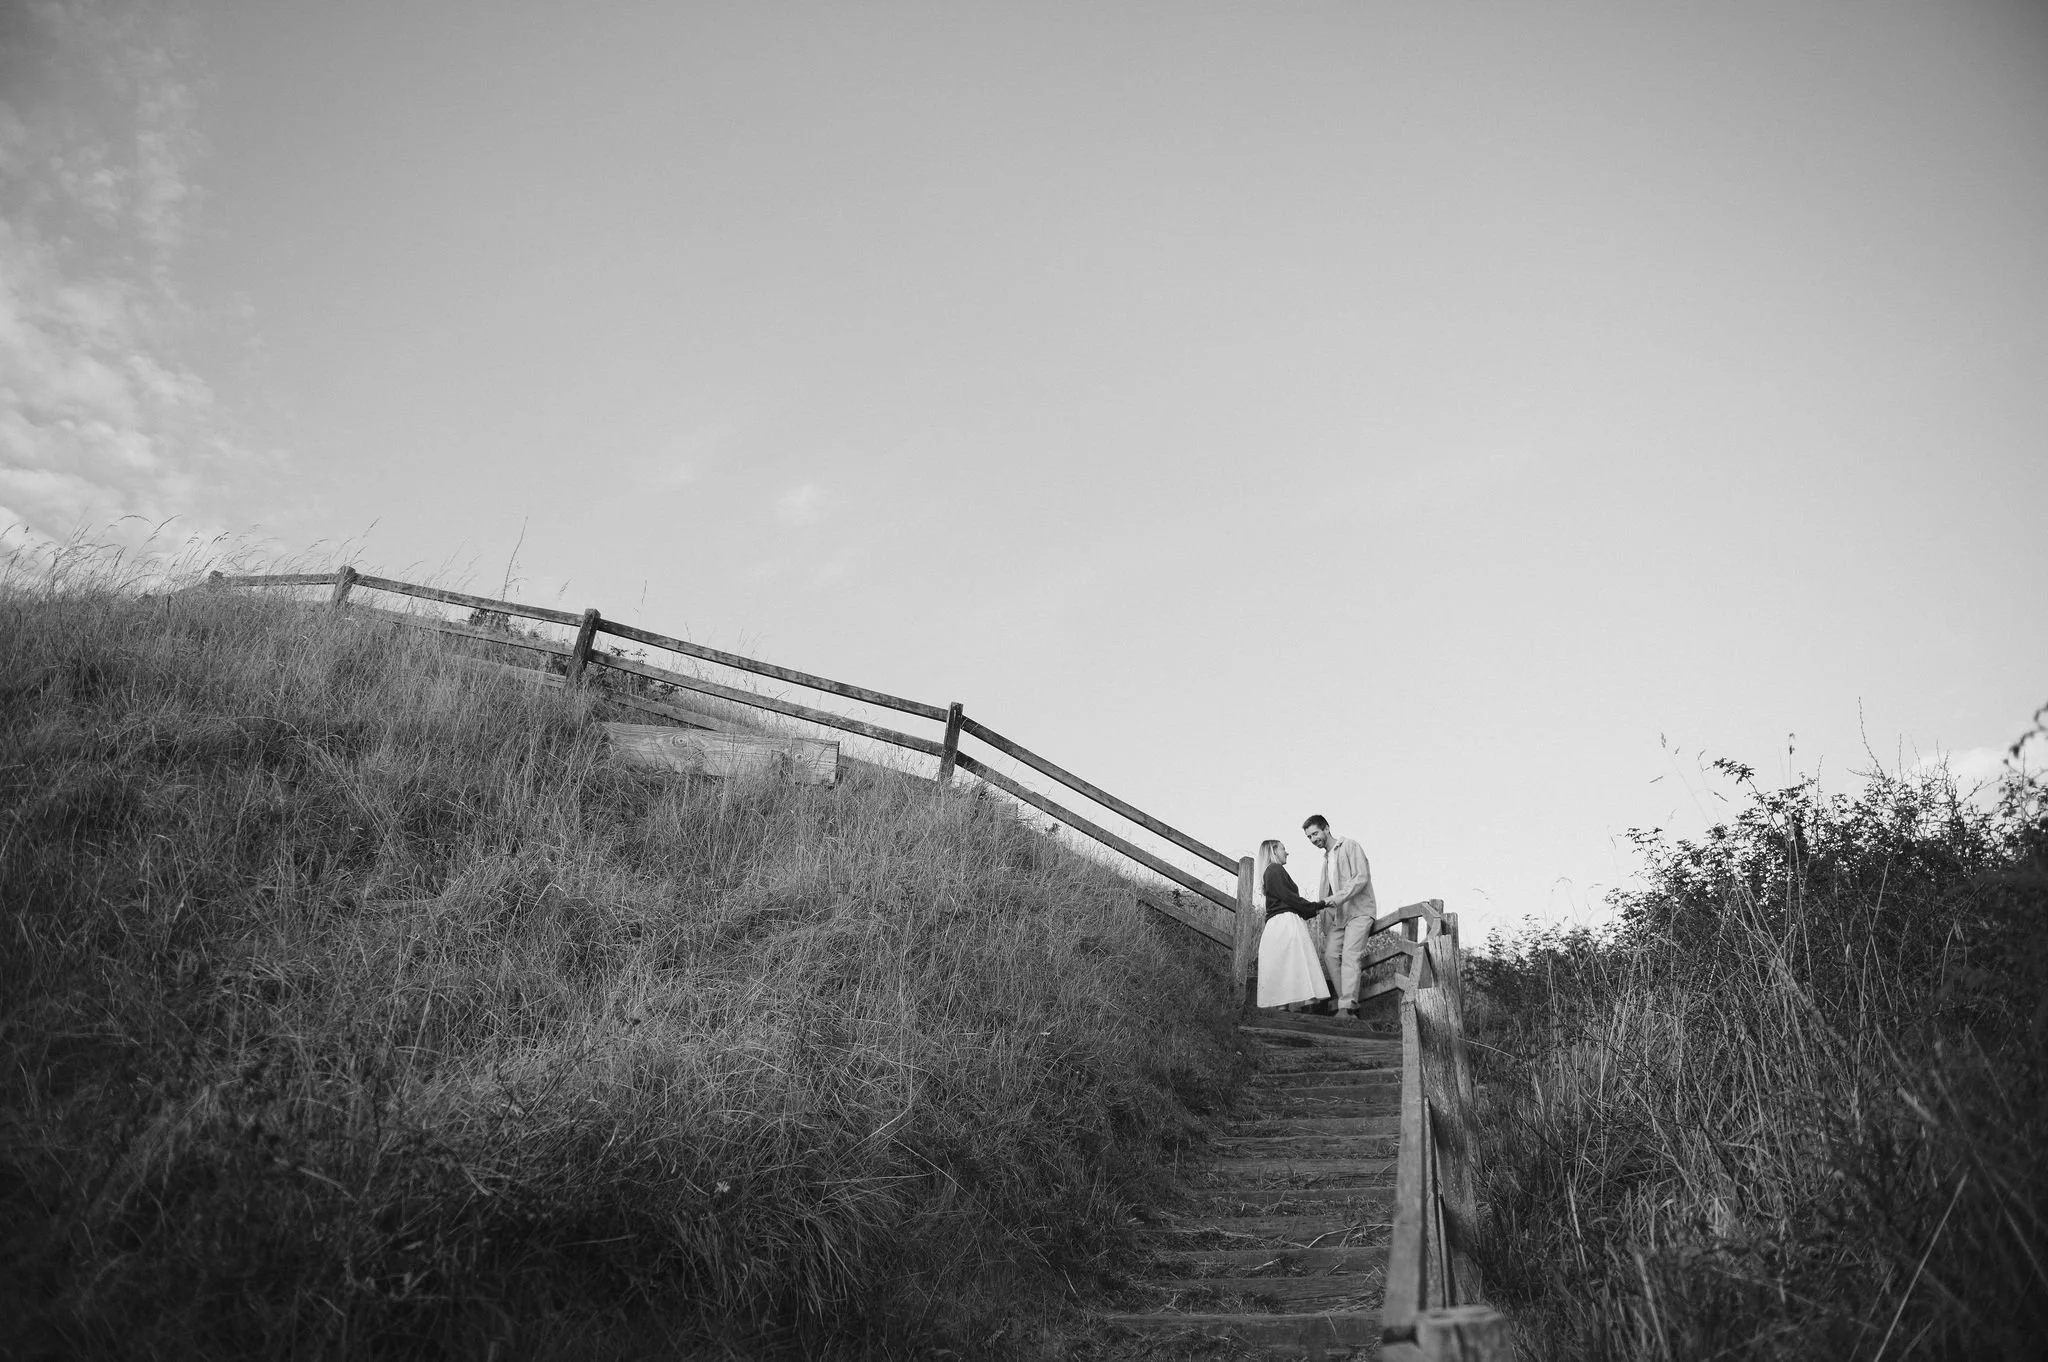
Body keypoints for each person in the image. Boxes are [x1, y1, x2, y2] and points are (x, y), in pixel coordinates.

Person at [1304, 814, 1379, 1020]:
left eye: (1315, 833)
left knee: (1350, 954)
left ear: (1327, 828)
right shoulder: (1326, 860)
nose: (1313, 840)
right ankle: (1347, 1004)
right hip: (1339, 917)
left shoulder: (1350, 846)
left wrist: (1337, 898)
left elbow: (1361, 877)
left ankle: (1347, 1008)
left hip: (1359, 911)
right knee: (1329, 955)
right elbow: (1325, 896)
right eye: (1309, 837)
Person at [1254, 838, 1330, 1009]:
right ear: (1274, 851)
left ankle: (1284, 1005)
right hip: (1285, 922)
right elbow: (1289, 898)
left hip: (1276, 923)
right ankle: (1309, 1001)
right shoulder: (1275, 869)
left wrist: (1311, 909)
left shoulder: (1269, 872)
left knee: (1284, 962)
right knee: (1298, 960)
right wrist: (1317, 905)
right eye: (1283, 849)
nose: (1286, 852)